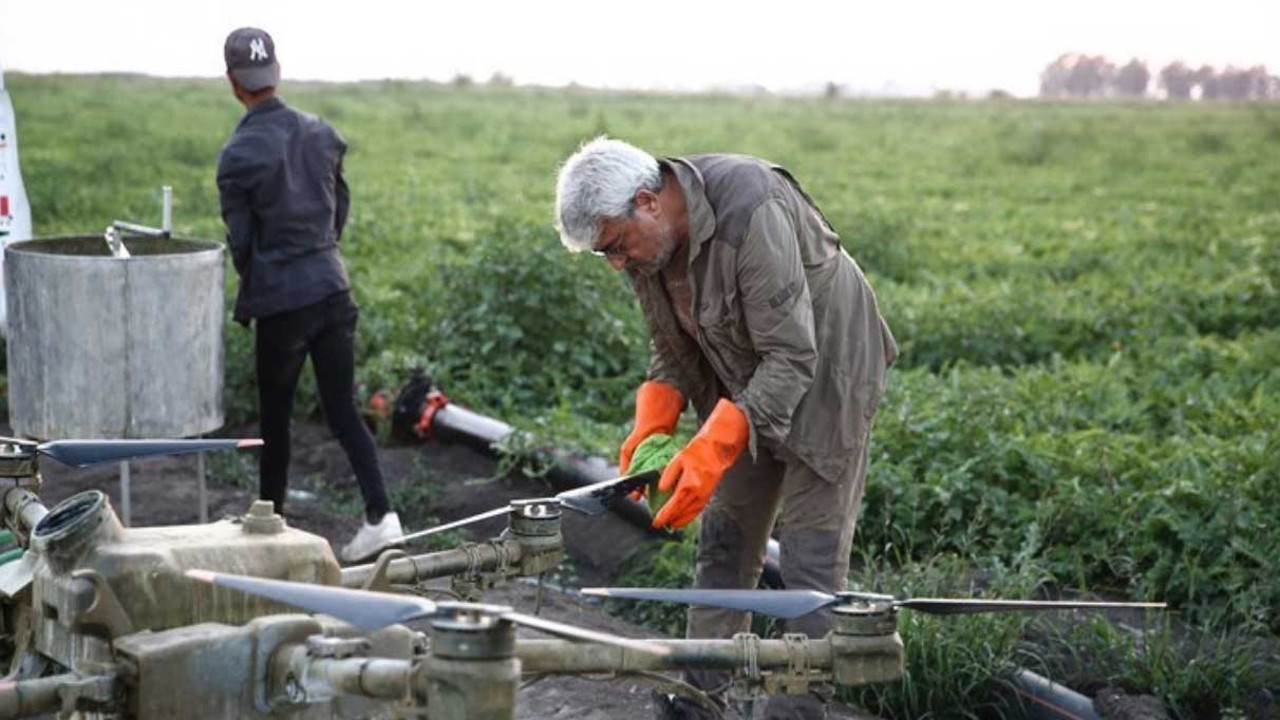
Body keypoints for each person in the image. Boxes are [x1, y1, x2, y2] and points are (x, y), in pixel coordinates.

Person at [554, 138, 898, 719]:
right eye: (602, 255)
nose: (616, 263)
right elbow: (670, 344)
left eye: (615, 246)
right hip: (746, 377)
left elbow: (791, 357)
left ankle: (797, 706)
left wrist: (713, 447)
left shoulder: (750, 209)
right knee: (724, 543)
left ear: (648, 202)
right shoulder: (649, 249)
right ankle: (699, 697)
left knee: (809, 565)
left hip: (827, 378)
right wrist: (654, 421)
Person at [216, 27, 401, 563]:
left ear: (233, 82)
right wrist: (320, 257)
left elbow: (243, 243)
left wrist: (265, 281)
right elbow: (337, 209)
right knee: (342, 407)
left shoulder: (237, 154)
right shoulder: (323, 133)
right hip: (332, 289)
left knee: (275, 418)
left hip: (282, 303)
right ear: (275, 72)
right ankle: (382, 517)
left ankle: (270, 530)